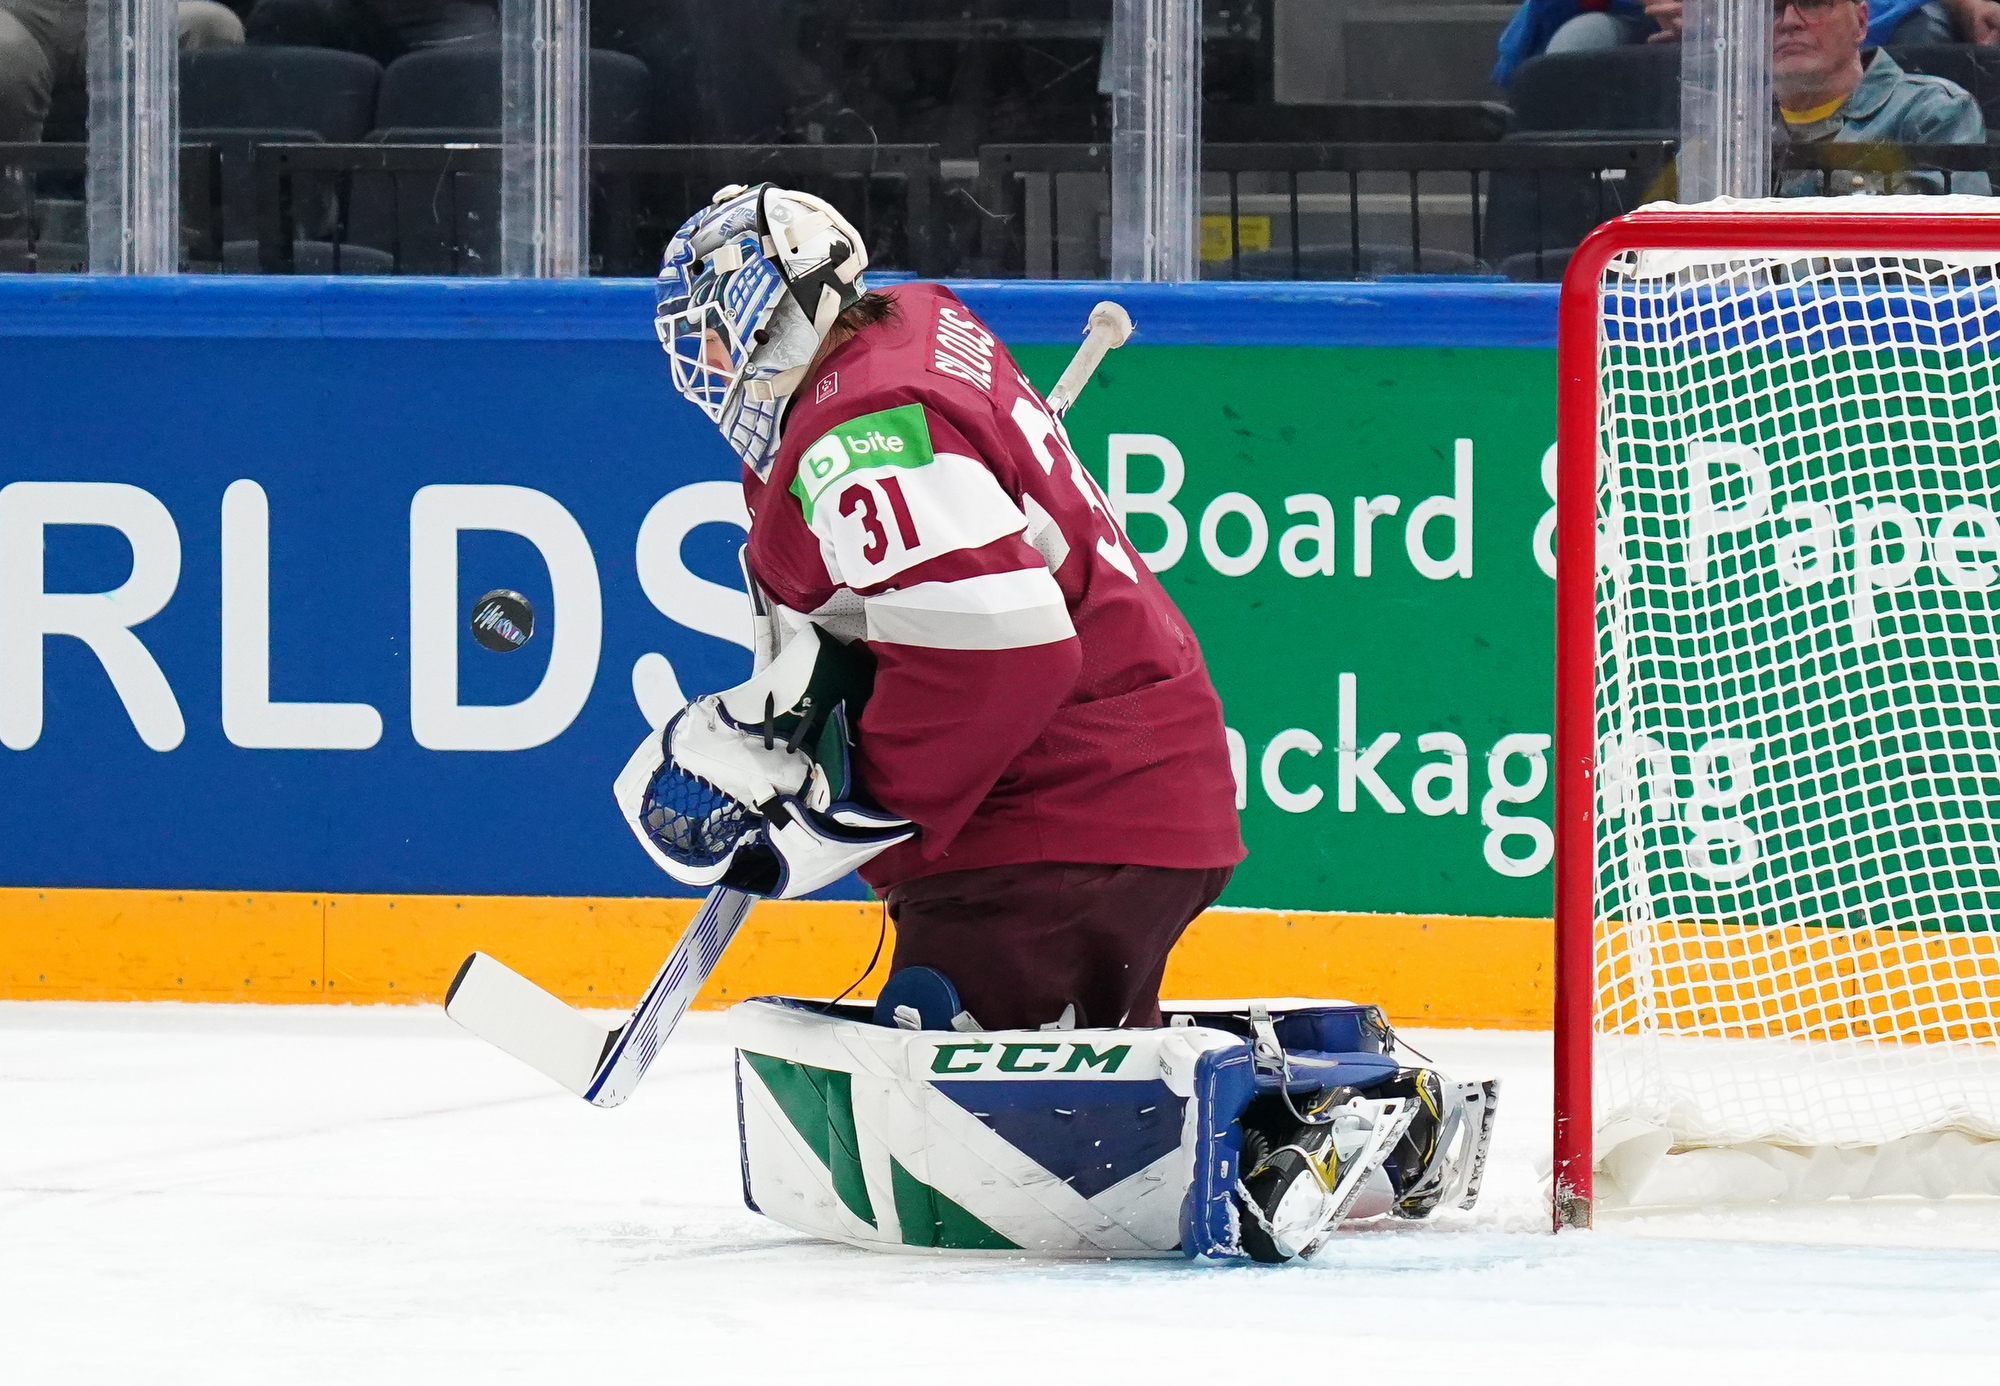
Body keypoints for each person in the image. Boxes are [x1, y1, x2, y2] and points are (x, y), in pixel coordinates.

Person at [629, 183, 1245, 1036]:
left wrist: (850, 809)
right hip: (1119, 793)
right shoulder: (911, 325)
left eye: (714, 331)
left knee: (983, 1120)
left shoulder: (861, 428)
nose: (708, 363)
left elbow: (1003, 654)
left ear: (776, 310)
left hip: (1054, 827)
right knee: (1085, 1106)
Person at [0, 0, 243, 240]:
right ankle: (12, 239)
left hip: (124, 11)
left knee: (213, 26)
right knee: (7, 56)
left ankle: (189, 237)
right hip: (18, 13)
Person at [1493, 0, 2000, 88]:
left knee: (1924, 29)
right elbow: (1524, 36)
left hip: (1830, 34)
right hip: (1666, 33)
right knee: (1580, 38)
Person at [1772, 0, 1990, 194]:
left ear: (1861, 22)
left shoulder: (1933, 112)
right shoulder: (1750, 128)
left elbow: (1950, 226)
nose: (1789, 21)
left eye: (1812, 3)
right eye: (1770, 9)